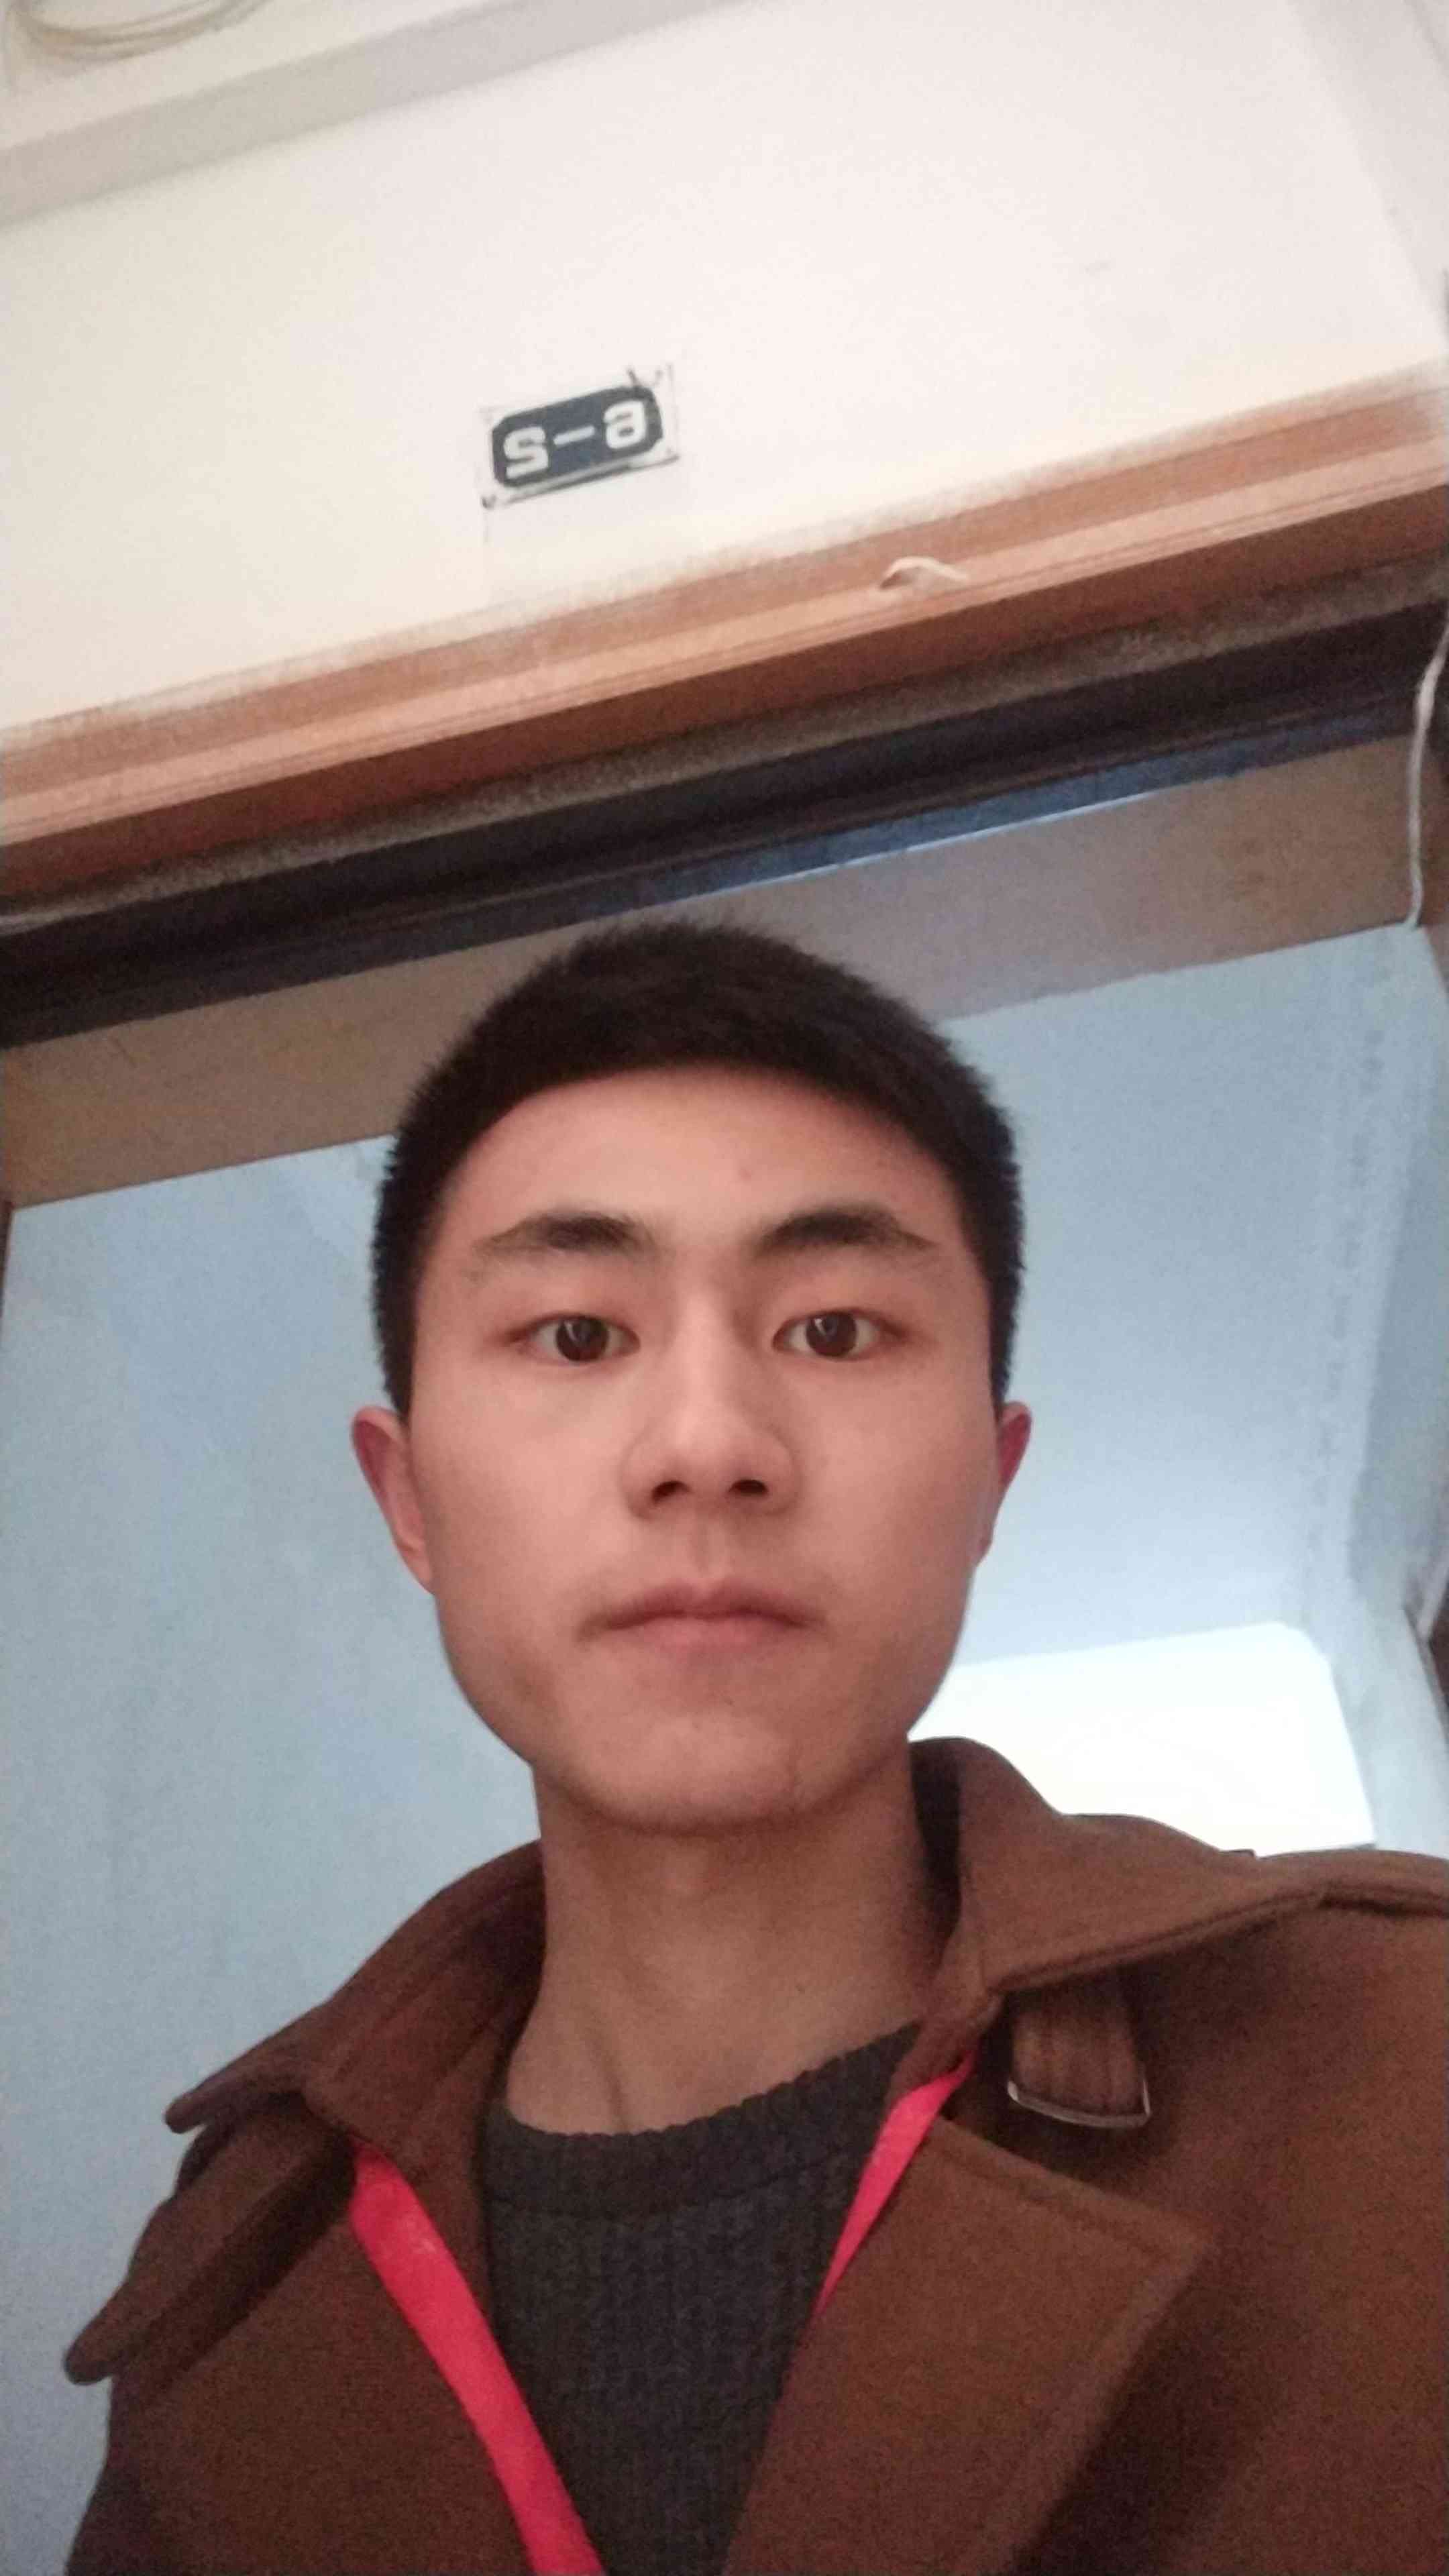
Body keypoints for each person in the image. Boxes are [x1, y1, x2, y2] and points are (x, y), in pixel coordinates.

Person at [64, 918, 1446, 2576]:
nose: (710, 1444)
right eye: (578, 1334)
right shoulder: (226, 2288)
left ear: (991, 1481)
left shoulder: (1400, 2079)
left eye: (835, 1330)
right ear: (409, 1498)